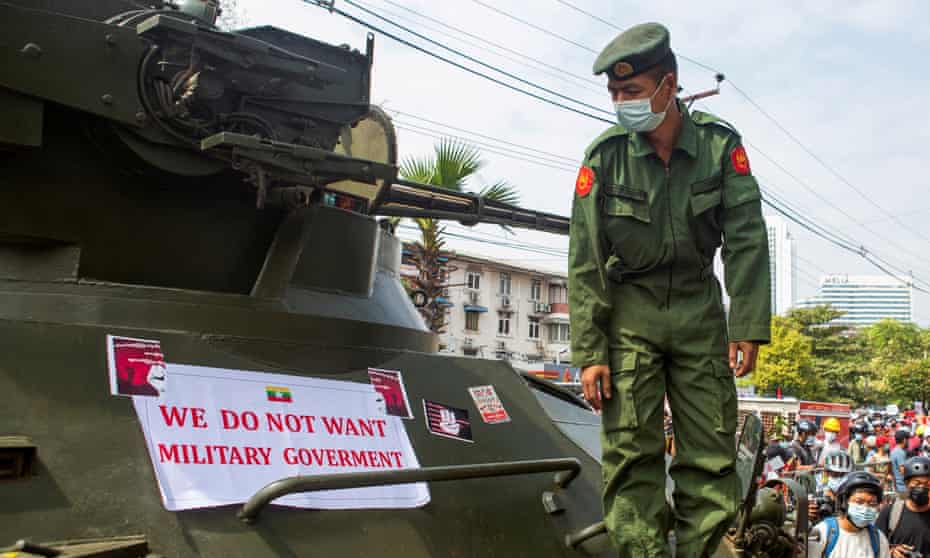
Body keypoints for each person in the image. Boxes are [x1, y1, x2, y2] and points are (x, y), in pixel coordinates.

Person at [570, 22, 771, 557]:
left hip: (699, 309)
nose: (621, 103)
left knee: (709, 455)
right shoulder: (604, 157)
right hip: (629, 316)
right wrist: (590, 352)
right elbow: (585, 259)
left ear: (668, 86)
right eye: (614, 93)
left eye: (631, 92)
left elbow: (746, 239)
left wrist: (748, 327)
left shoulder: (718, 147)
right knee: (631, 454)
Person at [808, 472, 891, 557]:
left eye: (872, 503)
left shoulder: (878, 539)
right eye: (859, 502)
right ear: (844, 503)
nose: (866, 508)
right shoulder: (823, 532)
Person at [877, 456, 930, 558]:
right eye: (917, 483)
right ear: (907, 483)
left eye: (927, 484)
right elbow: (876, 545)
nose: (922, 487)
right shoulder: (891, 512)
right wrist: (892, 551)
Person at [810, 450, 855, 524]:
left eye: (844, 474)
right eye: (836, 474)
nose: (840, 479)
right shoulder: (816, 492)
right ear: (826, 472)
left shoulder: (853, 495)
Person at [893, 431, 911, 500]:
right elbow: (903, 470)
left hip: (900, 486)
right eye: (908, 439)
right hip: (904, 487)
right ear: (904, 440)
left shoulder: (895, 451)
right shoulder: (900, 453)